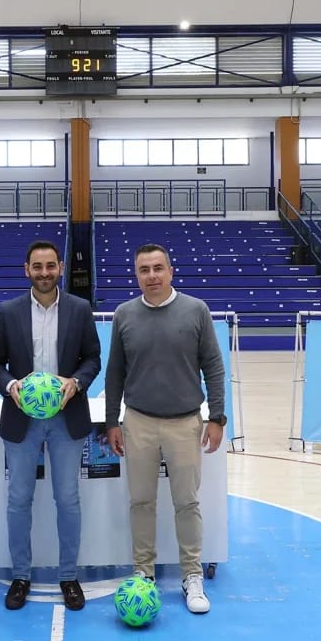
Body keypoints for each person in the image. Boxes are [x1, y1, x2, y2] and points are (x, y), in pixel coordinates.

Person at [104, 243, 226, 614]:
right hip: (138, 421)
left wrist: (217, 417)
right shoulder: (124, 315)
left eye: (158, 268)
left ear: (171, 271)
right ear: (136, 275)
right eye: (144, 270)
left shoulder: (196, 310)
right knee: (141, 502)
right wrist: (112, 421)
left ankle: (192, 574)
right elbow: (115, 372)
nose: (152, 276)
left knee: (186, 502)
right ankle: (144, 572)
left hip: (185, 422)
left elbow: (213, 365)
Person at [0, 240, 101, 611]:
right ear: (27, 270)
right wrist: (10, 385)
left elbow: (93, 359)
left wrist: (76, 382)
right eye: (37, 266)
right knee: (19, 499)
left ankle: (69, 576)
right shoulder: (9, 311)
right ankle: (21, 576)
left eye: (51, 265)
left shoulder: (80, 309)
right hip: (22, 418)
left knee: (67, 499)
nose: (44, 273)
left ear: (61, 267)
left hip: (67, 417)